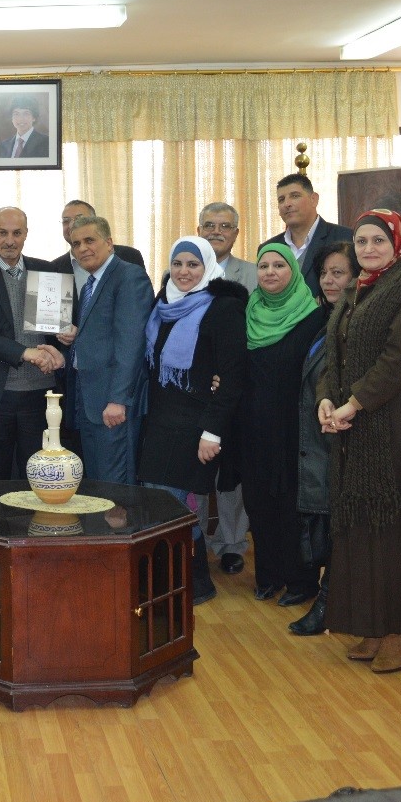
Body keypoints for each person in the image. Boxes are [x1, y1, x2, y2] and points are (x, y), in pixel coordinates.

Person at [317, 209, 401, 674]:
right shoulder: (355, 290)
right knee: (362, 525)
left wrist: (353, 403)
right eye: (361, 242)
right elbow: (336, 355)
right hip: (359, 423)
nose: (368, 249)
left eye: (378, 240)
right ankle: (371, 625)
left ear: (397, 242)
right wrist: (327, 401)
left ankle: (399, 631)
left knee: (400, 526)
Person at [138, 236, 247, 605]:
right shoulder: (162, 303)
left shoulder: (224, 307)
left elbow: (231, 378)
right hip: (159, 421)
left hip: (195, 425)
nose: (184, 272)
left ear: (208, 268)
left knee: (172, 504)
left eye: (193, 265)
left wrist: (212, 432)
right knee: (160, 502)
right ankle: (172, 584)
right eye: (178, 264)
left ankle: (195, 584)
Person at [237, 243, 327, 607]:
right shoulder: (248, 312)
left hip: (296, 429)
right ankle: (268, 575)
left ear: (293, 272)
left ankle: (302, 581)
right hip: (253, 427)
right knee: (258, 502)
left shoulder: (313, 318)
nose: (270, 272)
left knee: (293, 505)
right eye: (264, 266)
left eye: (279, 265)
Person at [287, 243, 362, 636]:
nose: (330, 281)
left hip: (342, 439)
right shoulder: (322, 319)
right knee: (325, 526)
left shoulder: (357, 320)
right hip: (315, 439)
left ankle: (331, 604)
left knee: (340, 528)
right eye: (325, 273)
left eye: (339, 273)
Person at [0, 207, 63, 482]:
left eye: (17, 233)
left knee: (39, 480)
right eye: (2, 233)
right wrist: (23, 352)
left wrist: (65, 336)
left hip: (41, 394)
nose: (10, 240)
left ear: (26, 234)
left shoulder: (46, 270)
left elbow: (56, 328)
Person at [55, 215, 153, 485]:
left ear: (109, 242)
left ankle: (118, 530)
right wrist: (77, 336)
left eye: (90, 240)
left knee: (116, 486)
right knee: (99, 482)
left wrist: (118, 400)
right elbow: (107, 332)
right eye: (76, 244)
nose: (83, 248)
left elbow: (131, 343)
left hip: (113, 403)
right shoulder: (92, 281)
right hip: (90, 401)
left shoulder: (128, 275)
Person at [196, 201, 256, 574]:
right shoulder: (184, 270)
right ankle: (194, 539)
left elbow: (258, 331)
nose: (216, 231)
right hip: (196, 390)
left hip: (237, 387)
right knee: (196, 469)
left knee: (230, 470)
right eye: (209, 225)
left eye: (225, 226)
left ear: (236, 232)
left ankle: (232, 543)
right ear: (199, 230)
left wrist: (231, 376)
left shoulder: (254, 273)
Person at [260, 175, 354, 301]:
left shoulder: (346, 238)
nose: (287, 204)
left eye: (295, 196)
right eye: (281, 199)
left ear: (314, 199)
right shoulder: (268, 248)